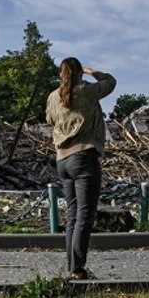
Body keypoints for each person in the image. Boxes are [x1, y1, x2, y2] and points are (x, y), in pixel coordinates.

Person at [45, 57, 116, 280]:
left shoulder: (53, 97)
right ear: (79, 74)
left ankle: (73, 266)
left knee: (73, 216)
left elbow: (49, 119)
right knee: (85, 215)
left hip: (62, 161)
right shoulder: (86, 91)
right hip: (84, 158)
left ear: (60, 75)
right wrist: (93, 72)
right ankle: (77, 269)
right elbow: (111, 82)